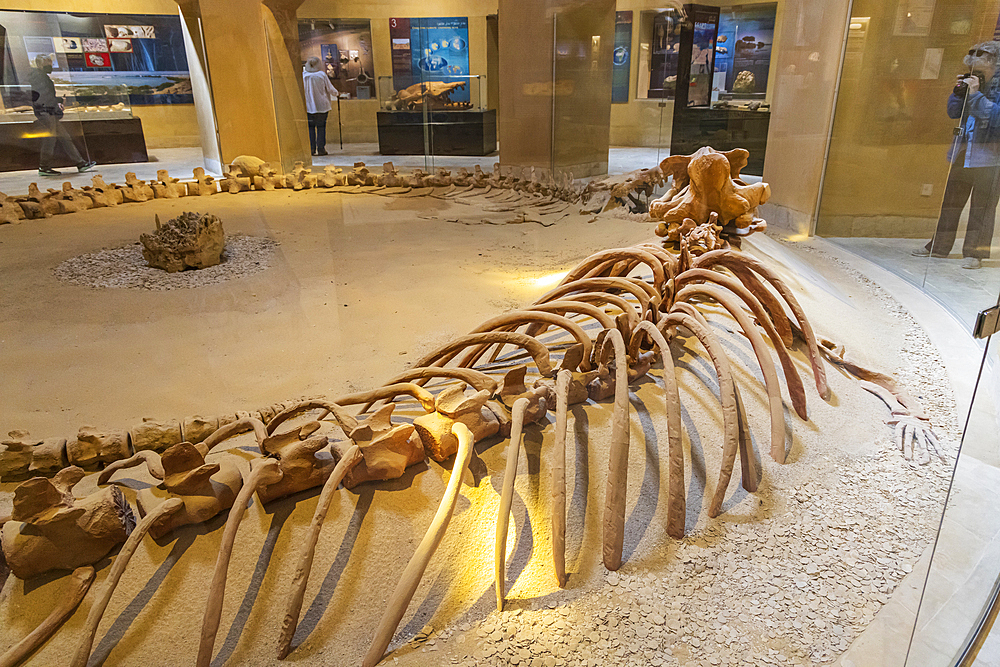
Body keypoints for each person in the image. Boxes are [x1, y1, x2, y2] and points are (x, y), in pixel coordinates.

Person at [913, 41, 1000, 269]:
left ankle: (975, 253)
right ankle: (939, 247)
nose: (977, 73)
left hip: (991, 158)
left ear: (994, 66)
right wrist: (959, 92)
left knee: (983, 207)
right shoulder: (971, 82)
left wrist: (975, 94)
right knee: (950, 203)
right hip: (963, 151)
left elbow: (997, 118)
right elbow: (953, 112)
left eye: (981, 69)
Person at [27, 54, 96, 177]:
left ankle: (80, 163)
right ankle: (44, 167)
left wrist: (57, 101)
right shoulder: (40, 78)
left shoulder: (40, 77)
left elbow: (46, 96)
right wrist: (56, 108)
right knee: (50, 139)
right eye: (48, 63)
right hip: (46, 112)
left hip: (48, 111)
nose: (50, 65)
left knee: (65, 138)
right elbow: (45, 97)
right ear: (40, 64)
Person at [302, 56, 339, 156]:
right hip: (322, 106)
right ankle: (321, 149)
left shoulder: (304, 75)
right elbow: (330, 89)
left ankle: (311, 149)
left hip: (308, 106)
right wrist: (337, 93)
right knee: (321, 127)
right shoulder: (321, 75)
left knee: (310, 128)